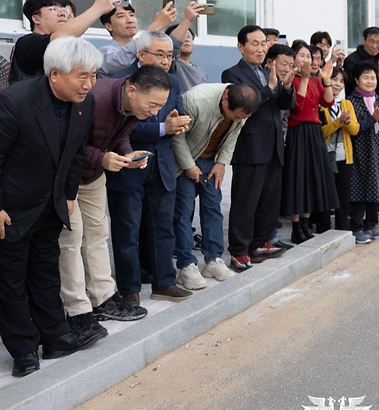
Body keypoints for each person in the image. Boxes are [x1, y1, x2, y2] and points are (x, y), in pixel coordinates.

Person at [0, 37, 105, 378]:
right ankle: (23, 350)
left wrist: (70, 194)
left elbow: (77, 152)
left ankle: (57, 337)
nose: (89, 84)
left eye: (93, 75)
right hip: (10, 209)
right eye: (82, 76)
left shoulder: (83, 103)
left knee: (46, 275)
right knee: (10, 282)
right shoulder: (15, 101)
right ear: (55, 74)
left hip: (51, 207)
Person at [57, 65, 173, 341]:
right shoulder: (94, 98)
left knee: (98, 234)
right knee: (71, 240)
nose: (156, 112)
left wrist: (128, 154)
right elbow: (66, 142)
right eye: (153, 104)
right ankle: (77, 310)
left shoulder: (131, 105)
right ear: (132, 90)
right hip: (65, 178)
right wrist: (103, 158)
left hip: (94, 176)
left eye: (161, 105)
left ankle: (104, 298)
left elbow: (120, 136)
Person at [107, 32, 194, 299]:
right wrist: (162, 128)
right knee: (127, 231)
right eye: (160, 54)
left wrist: (178, 124)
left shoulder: (173, 82)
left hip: (163, 164)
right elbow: (122, 127)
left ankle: (163, 283)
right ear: (141, 55)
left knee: (163, 228)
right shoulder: (123, 80)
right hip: (129, 161)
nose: (166, 60)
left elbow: (174, 115)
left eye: (169, 55)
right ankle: (130, 290)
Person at [222, 25, 297, 271]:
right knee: (246, 201)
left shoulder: (269, 70)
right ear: (241, 47)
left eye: (263, 43)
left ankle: (259, 243)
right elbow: (247, 105)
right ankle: (239, 251)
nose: (260, 48)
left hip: (274, 145)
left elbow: (286, 104)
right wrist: (270, 88)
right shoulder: (232, 73)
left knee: (269, 200)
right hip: (250, 146)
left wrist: (286, 86)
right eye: (254, 43)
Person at [172, 83, 259, 284]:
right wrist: (189, 166)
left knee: (213, 209)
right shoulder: (195, 100)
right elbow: (177, 136)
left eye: (242, 118)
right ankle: (186, 265)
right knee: (183, 211)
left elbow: (233, 136)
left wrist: (221, 163)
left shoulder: (242, 110)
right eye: (235, 115)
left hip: (212, 161)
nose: (238, 120)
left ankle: (213, 261)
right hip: (187, 159)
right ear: (225, 98)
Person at [281, 40, 340, 243]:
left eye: (311, 57)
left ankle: (306, 224)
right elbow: (297, 105)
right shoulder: (292, 80)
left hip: (314, 132)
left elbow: (328, 101)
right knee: (299, 179)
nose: (309, 60)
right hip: (298, 132)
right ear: (294, 59)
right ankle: (296, 227)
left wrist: (326, 80)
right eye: (303, 56)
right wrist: (305, 79)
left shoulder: (315, 80)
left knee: (313, 178)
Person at [9, 0, 120, 82]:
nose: (62, 13)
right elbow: (58, 37)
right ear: (36, 18)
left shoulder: (65, 46)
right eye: (54, 9)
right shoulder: (27, 43)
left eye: (64, 10)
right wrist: (97, 9)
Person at [347, 63, 379, 244]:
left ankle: (371, 225)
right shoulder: (351, 101)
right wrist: (373, 119)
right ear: (357, 80)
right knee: (358, 187)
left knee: (376, 186)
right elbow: (356, 127)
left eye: (373, 77)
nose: (370, 81)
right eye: (366, 77)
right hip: (360, 151)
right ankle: (358, 227)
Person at [97, 1, 179, 78]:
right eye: (121, 16)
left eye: (132, 15)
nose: (130, 20)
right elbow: (122, 60)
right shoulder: (103, 55)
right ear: (108, 26)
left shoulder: (149, 49)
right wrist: (156, 26)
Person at [321, 69, 359, 230]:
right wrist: (338, 121)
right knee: (324, 196)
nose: (337, 84)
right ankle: (323, 229)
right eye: (334, 79)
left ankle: (342, 229)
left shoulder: (347, 104)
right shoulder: (320, 104)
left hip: (345, 158)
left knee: (343, 198)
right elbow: (320, 132)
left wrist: (348, 122)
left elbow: (355, 130)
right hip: (325, 158)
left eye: (341, 81)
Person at [343, 26, 379, 98]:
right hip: (357, 103)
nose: (374, 46)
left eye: (378, 42)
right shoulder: (351, 60)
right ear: (363, 40)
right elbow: (353, 86)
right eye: (371, 41)